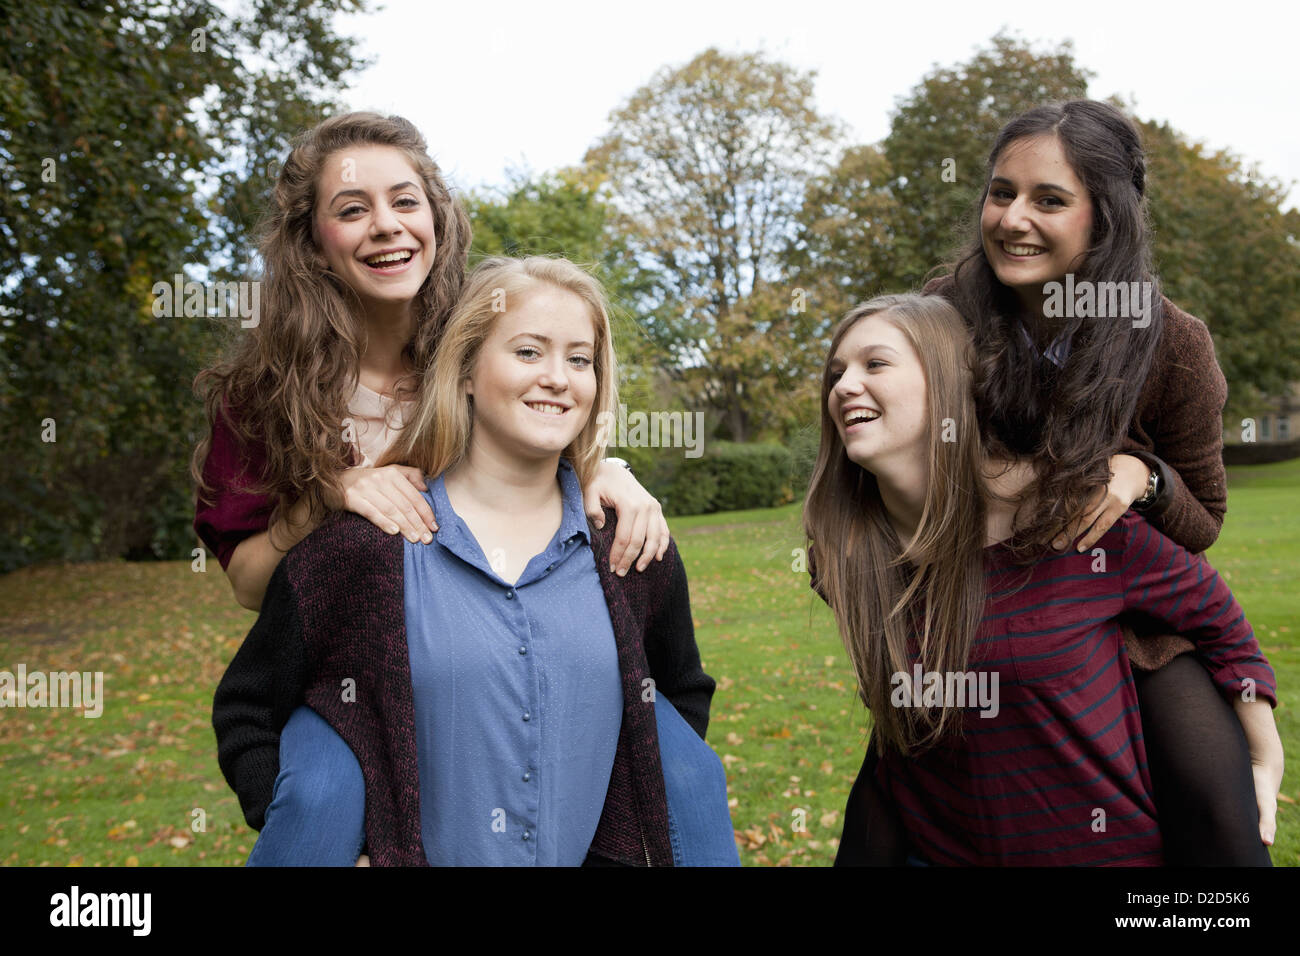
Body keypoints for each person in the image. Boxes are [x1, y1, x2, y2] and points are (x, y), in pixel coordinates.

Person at [191, 114, 674, 864]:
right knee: (323, 801)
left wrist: (609, 470)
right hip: (341, 668)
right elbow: (252, 585)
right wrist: (329, 493)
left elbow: (551, 417)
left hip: (476, 654)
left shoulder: (478, 336)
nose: (386, 226)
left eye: (405, 201)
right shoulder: (265, 393)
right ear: (313, 240)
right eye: (352, 210)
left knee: (674, 780)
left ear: (437, 217)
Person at [839, 100, 1279, 865]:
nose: (1013, 218)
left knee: (1221, 825)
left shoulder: (1171, 344)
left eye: (1049, 200)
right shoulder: (946, 314)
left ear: (1104, 219)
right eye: (1001, 192)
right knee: (889, 796)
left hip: (1130, 613)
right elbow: (883, 423)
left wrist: (1144, 475)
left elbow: (1204, 518)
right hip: (976, 605)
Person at [213, 256, 738, 866]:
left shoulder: (629, 550)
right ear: (464, 371)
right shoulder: (364, 551)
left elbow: (677, 696)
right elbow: (249, 709)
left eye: (579, 359)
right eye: (527, 352)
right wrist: (350, 842)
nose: (558, 378)